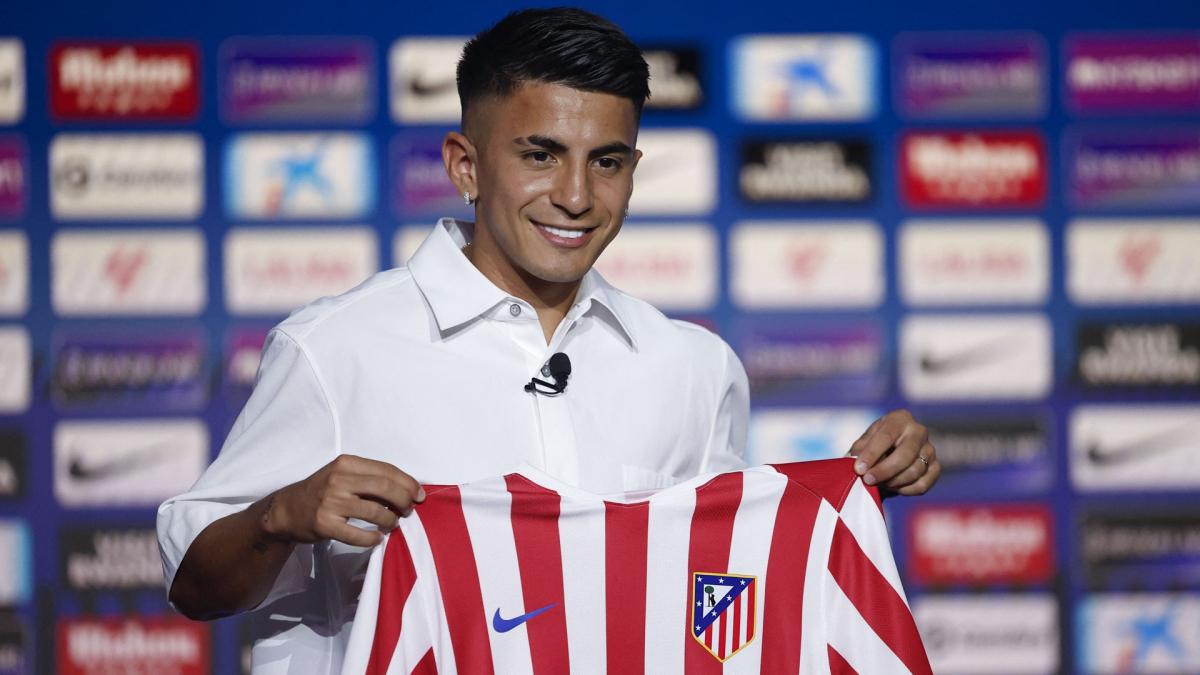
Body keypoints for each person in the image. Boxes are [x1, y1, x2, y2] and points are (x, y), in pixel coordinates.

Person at [157, 8, 940, 674]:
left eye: (606, 163)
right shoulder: (334, 349)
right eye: (540, 155)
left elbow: (723, 592)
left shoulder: (694, 367)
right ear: (466, 165)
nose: (574, 196)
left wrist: (855, 485)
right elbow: (196, 589)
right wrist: (279, 515)